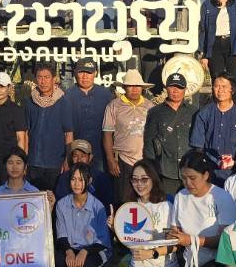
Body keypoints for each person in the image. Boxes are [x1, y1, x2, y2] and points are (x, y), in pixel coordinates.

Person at [169, 151, 236, 267]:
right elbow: (175, 228)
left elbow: (225, 240)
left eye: (193, 178)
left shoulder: (221, 197)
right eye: (184, 178)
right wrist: (172, 236)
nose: (188, 183)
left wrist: (192, 240)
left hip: (215, 261)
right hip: (189, 260)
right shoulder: (180, 196)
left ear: (206, 175)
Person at [109, 159, 176, 267]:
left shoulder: (166, 207)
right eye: (135, 179)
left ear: (154, 179)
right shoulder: (130, 206)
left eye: (144, 179)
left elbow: (174, 245)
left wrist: (152, 253)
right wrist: (115, 228)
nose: (139, 184)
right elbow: (129, 241)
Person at [54, 165, 109, 267]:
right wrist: (69, 251)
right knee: (59, 259)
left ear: (89, 180)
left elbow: (102, 240)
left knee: (88, 264)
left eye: (81, 179)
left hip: (92, 249)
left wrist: (85, 251)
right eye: (73, 179)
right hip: (71, 247)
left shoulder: (98, 207)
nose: (76, 184)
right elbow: (61, 234)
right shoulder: (62, 204)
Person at [25, 62, 74, 191]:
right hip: (33, 162)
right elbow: (26, 133)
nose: (43, 81)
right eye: (40, 77)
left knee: (53, 198)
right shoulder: (30, 101)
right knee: (34, 199)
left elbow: (68, 133)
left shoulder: (63, 101)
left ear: (54, 79)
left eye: (47, 77)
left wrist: (67, 159)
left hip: (55, 163)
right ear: (35, 79)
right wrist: (24, 159)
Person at [102, 69, 149, 203]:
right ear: (124, 87)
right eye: (130, 86)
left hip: (144, 160)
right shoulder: (114, 106)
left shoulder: (150, 106)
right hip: (122, 161)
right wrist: (110, 159)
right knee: (123, 200)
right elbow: (107, 134)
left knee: (145, 199)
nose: (134, 89)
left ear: (142, 88)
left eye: (137, 86)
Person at [144, 72, 193, 198]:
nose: (175, 91)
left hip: (189, 171)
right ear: (166, 88)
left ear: (185, 90)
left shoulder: (194, 111)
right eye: (172, 87)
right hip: (165, 171)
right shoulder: (155, 112)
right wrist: (152, 171)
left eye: (179, 87)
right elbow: (149, 144)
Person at [190, 74, 236, 188]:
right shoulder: (204, 113)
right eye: (216, 86)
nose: (220, 90)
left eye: (224, 86)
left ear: (232, 90)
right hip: (211, 170)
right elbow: (198, 146)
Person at [62, 59, 112, 166]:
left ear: (95, 73)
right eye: (81, 72)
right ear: (75, 73)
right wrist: (68, 157)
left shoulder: (106, 95)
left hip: (101, 154)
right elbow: (66, 131)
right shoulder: (67, 96)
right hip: (76, 155)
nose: (85, 76)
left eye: (89, 72)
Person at [124, 0, 165, 85]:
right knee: (132, 79)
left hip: (151, 44)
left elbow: (161, 20)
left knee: (151, 80)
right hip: (132, 43)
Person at [0, 73, 26, 172]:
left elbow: (21, 138)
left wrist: (20, 162)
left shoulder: (16, 110)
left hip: (8, 161)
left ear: (9, 88)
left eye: (2, 87)